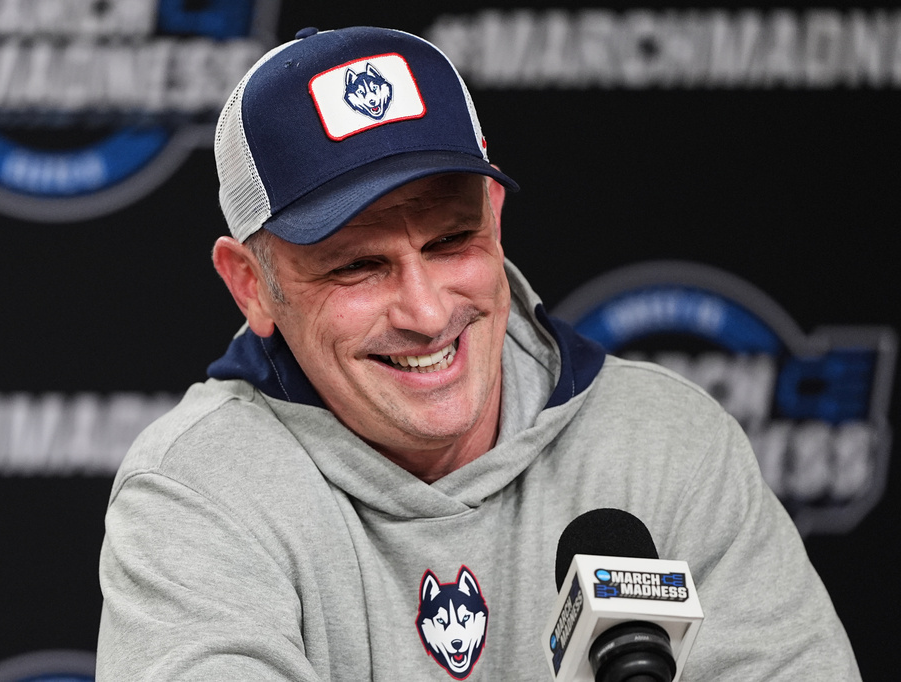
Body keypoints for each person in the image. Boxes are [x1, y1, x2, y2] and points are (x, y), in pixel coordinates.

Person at [96, 26, 860, 681]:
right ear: (250, 285)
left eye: (452, 240)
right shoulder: (199, 490)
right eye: (358, 266)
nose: (428, 313)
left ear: (494, 217)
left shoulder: (664, 445)